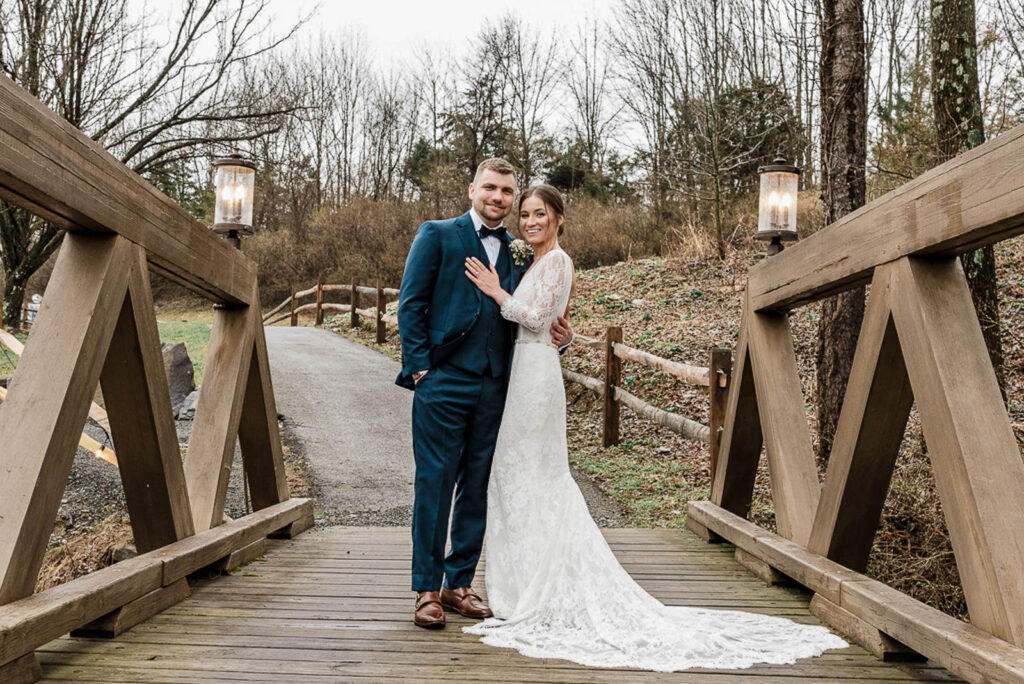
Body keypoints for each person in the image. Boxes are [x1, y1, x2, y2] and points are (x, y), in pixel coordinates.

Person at [461, 184, 848, 672]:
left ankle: (543, 586)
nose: (530, 222)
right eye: (526, 215)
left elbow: (536, 318)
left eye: (540, 214)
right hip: (525, 373)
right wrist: (568, 333)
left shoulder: (558, 260)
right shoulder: (536, 262)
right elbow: (554, 322)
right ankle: (522, 580)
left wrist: (496, 291)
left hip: (535, 379)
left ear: (559, 218)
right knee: (517, 477)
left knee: (537, 476)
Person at [396, 159, 574, 629]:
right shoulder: (437, 234)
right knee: (434, 483)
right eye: (490, 188)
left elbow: (536, 309)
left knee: (477, 485)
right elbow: (411, 303)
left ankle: (459, 584)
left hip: (501, 384)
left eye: (506, 191)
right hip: (443, 380)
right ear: (472, 188)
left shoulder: (520, 251)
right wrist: (419, 371)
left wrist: (563, 335)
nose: (498, 197)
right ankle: (427, 590)